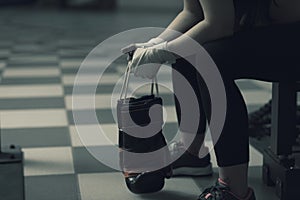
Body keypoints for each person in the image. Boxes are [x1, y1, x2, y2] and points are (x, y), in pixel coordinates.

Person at [122, 0, 300, 199]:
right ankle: (191, 152)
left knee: (209, 59)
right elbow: (192, 12)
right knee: (185, 50)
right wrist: (155, 44)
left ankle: (234, 188)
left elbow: (218, 24)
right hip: (273, 30)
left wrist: (163, 51)